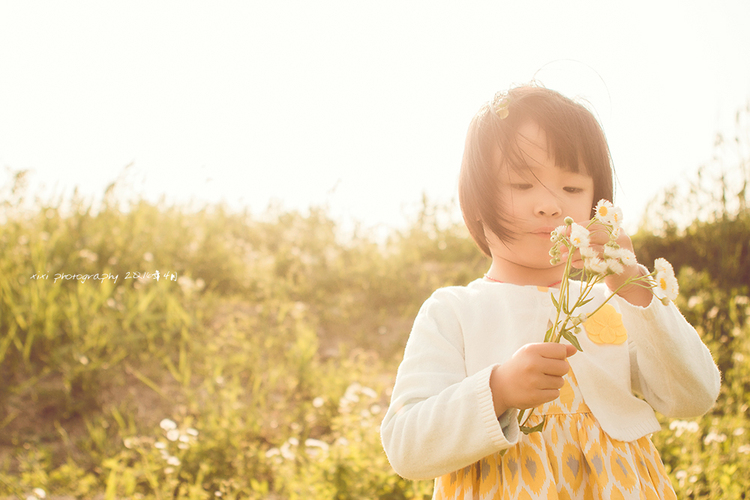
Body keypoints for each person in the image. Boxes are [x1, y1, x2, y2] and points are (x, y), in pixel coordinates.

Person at [380, 84, 721, 499]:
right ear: (475, 198)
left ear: (599, 203)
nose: (549, 205)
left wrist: (634, 288)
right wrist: (498, 389)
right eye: (521, 185)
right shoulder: (454, 311)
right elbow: (406, 446)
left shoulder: (608, 302)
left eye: (572, 189)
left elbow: (693, 396)